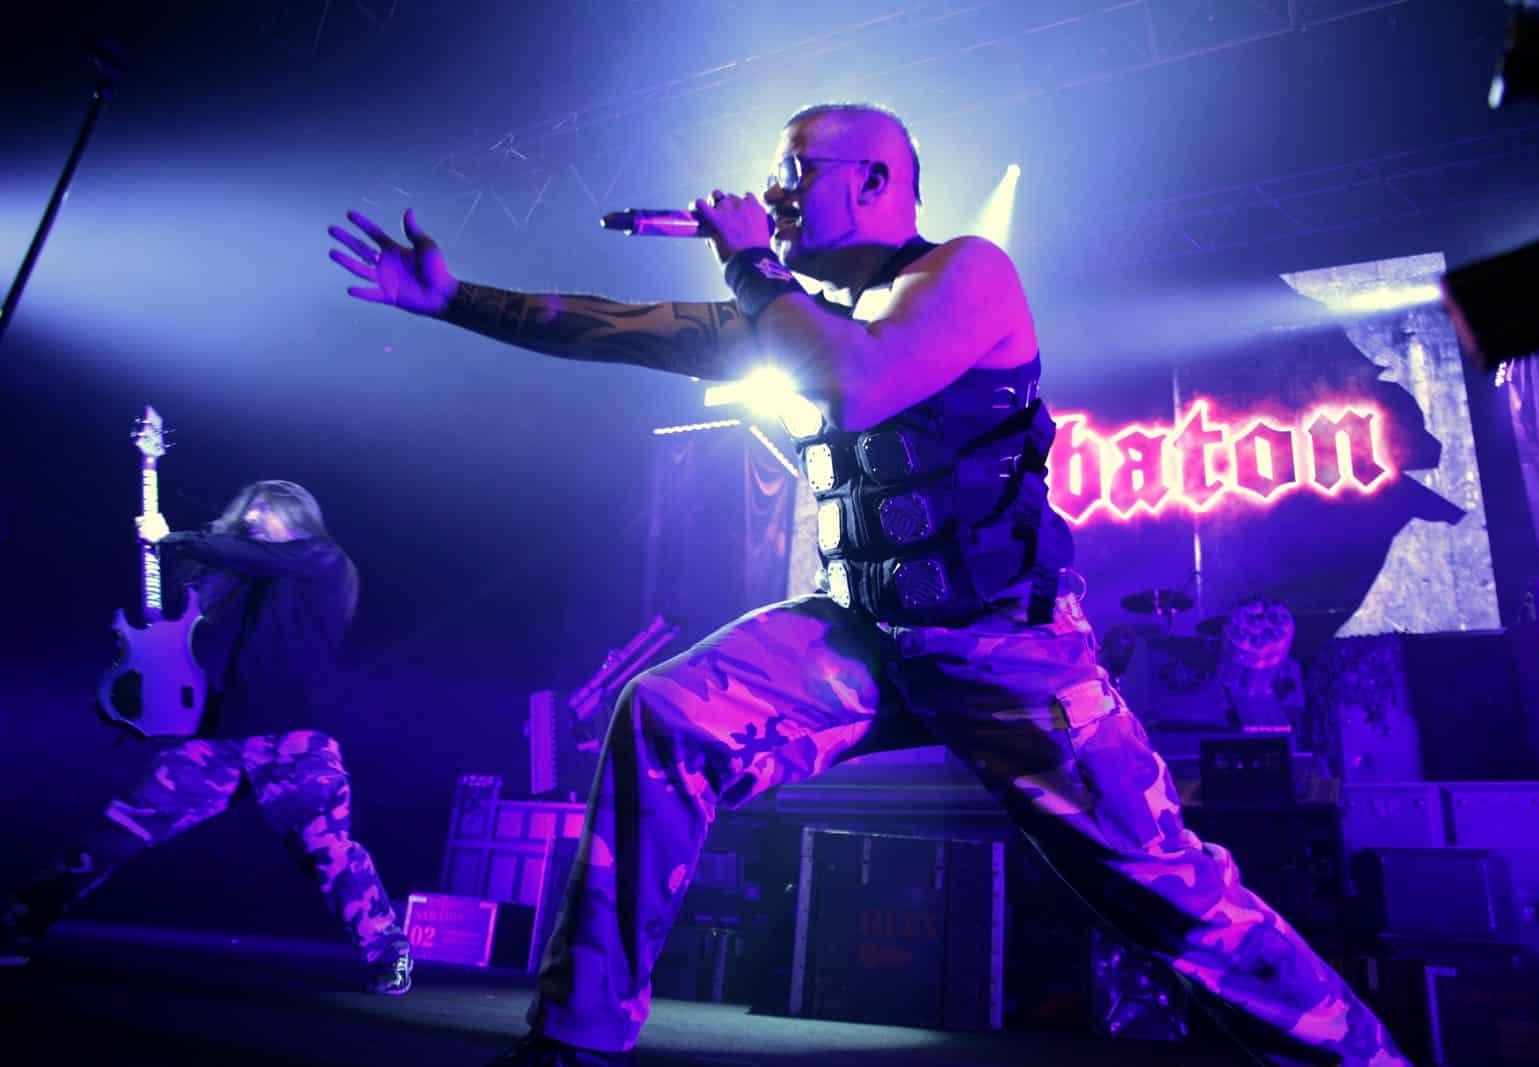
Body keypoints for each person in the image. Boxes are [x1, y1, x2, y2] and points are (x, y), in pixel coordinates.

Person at [325, 103, 1410, 1065]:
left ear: (878, 180)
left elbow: (860, 382)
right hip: (863, 637)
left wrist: (753, 266)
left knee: (1172, 895)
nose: (774, 192)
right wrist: (455, 299)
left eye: (797, 171)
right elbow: (616, 328)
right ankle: (577, 1038)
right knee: (662, 714)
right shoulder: (792, 311)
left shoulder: (967, 273)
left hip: (1006, 650)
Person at [0, 480, 413, 996]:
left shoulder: (324, 562)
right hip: (221, 738)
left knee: (327, 852)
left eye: (266, 509)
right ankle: (20, 924)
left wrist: (172, 536)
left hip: (296, 743)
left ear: (298, 517)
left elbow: (243, 553)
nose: (252, 518)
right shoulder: (249, 581)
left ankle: (387, 951)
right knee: (122, 826)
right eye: (249, 510)